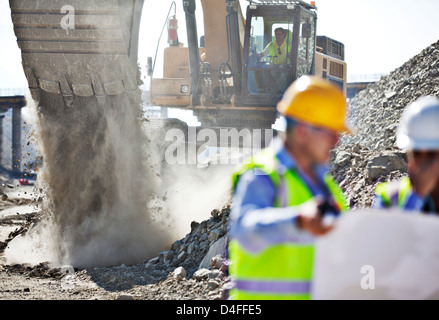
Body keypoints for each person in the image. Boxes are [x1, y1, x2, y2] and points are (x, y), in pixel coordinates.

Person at [227, 75, 351, 300]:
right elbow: (245, 229)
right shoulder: (264, 174)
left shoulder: (324, 184)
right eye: (331, 133)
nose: (337, 141)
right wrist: (298, 220)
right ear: (304, 131)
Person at [373, 96, 439, 213]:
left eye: (431, 154)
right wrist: (416, 196)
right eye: (417, 153)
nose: (422, 162)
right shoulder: (389, 197)